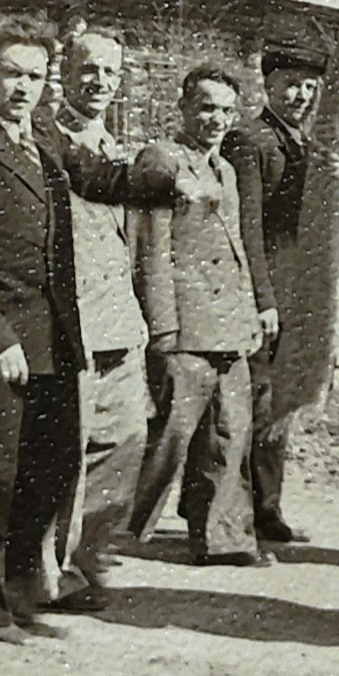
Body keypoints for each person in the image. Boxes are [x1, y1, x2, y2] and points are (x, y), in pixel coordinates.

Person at [0, 13, 187, 643]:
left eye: (35, 77)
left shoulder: (39, 133)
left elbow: (98, 177)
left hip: (52, 339)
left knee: (49, 468)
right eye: (11, 73)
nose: (23, 88)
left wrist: (170, 182)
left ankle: (16, 592)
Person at [127, 66, 273, 567]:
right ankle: (115, 529)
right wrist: (162, 327)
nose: (217, 119)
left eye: (227, 110)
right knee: (169, 435)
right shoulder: (160, 159)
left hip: (228, 324)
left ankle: (222, 538)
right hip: (185, 326)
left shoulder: (225, 169)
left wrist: (249, 314)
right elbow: (151, 249)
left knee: (229, 433)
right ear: (184, 107)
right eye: (207, 107)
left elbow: (236, 248)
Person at [30, 28, 153, 611]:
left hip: (120, 325)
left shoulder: (118, 149)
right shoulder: (44, 142)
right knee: (63, 456)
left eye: (109, 71)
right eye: (88, 69)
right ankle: (48, 574)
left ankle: (89, 558)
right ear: (64, 74)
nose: (99, 81)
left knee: (124, 441)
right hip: (71, 326)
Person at [222, 44, 326, 545]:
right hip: (260, 295)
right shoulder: (250, 139)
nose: (300, 95)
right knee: (256, 404)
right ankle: (250, 511)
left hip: (292, 293)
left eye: (309, 85)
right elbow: (248, 227)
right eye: (290, 84)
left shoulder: (305, 143)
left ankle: (264, 507)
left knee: (277, 403)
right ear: (268, 85)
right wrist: (262, 298)